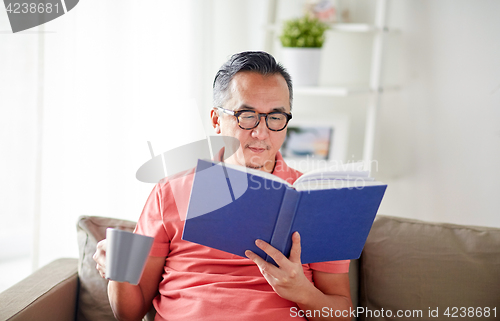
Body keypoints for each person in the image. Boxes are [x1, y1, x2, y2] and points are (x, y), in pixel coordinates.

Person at [93, 51, 353, 320]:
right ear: (217, 120)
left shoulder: (317, 200)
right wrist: (119, 270)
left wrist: (301, 292)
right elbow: (129, 314)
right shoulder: (171, 191)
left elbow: (344, 314)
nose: (261, 132)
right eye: (247, 115)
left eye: (275, 117)